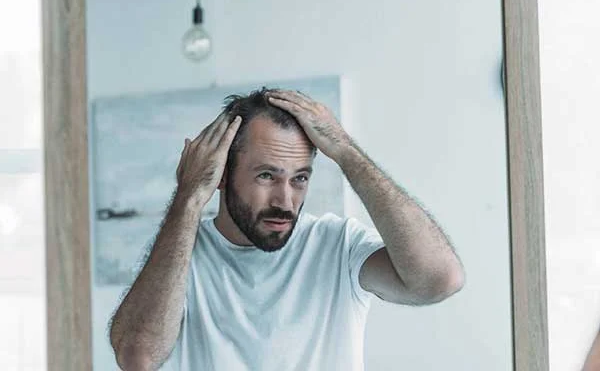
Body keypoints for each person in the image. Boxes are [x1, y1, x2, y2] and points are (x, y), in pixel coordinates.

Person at [108, 87, 466, 371]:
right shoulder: (182, 253)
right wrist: (187, 197)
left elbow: (440, 280)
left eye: (299, 178)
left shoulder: (336, 245)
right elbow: (136, 357)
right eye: (267, 175)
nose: (285, 199)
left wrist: (345, 151)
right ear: (221, 175)